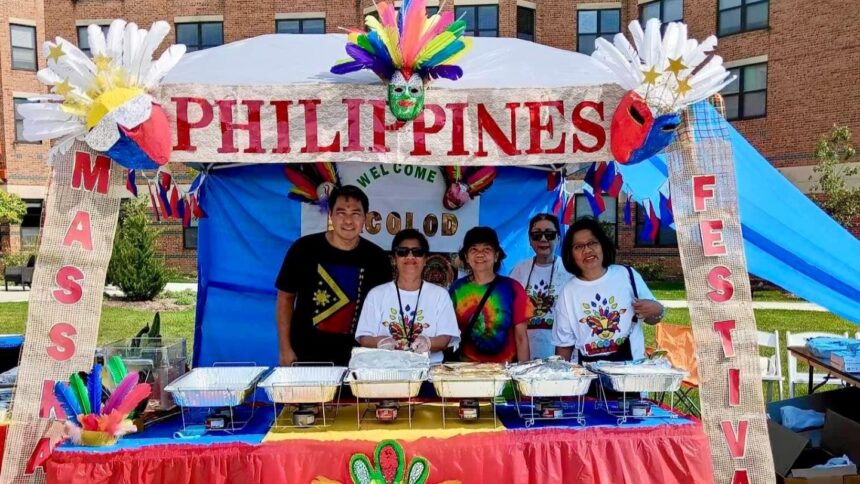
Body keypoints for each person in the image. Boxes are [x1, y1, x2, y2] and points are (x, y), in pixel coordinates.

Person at [275, 185, 393, 367]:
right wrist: (285, 348)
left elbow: (383, 311)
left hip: (357, 360)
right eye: (341, 213)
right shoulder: (303, 249)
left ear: (365, 219)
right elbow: (285, 298)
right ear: (330, 214)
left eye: (355, 213)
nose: (348, 221)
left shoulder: (377, 259)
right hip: (305, 355)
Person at [552, 218, 665, 365]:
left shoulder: (627, 275)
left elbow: (653, 318)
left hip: (631, 376)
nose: (587, 250)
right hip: (588, 379)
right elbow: (563, 346)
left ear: (603, 246)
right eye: (578, 247)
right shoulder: (568, 292)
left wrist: (657, 309)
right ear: (570, 255)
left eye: (592, 243)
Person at [355, 229, 460, 363]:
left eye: (417, 252)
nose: (410, 256)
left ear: (425, 260)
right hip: (386, 371)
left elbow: (445, 338)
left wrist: (428, 342)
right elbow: (364, 337)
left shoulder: (440, 295)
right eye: (402, 252)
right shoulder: (376, 294)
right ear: (394, 259)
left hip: (429, 372)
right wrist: (380, 342)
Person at [449, 227, 533, 363]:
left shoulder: (512, 288)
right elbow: (448, 332)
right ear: (466, 257)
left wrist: (522, 377)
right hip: (466, 373)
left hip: (505, 374)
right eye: (473, 250)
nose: (480, 254)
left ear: (496, 255)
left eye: (486, 249)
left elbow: (521, 337)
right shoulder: (457, 289)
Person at [509, 213, 572, 359]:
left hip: (560, 354)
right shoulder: (518, 270)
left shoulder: (570, 271)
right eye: (537, 235)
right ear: (530, 240)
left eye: (549, 234)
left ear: (558, 238)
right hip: (525, 353)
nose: (543, 239)